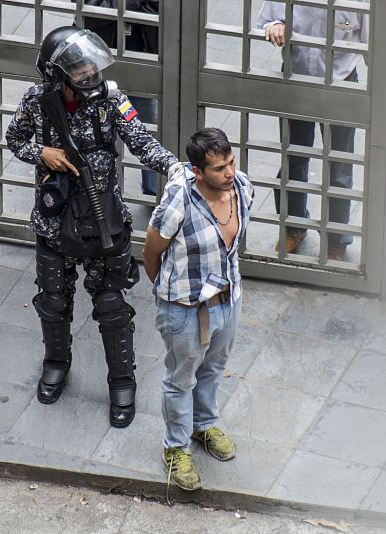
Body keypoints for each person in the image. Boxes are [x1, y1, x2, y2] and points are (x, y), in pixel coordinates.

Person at [5, 26, 179, 428]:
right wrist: (42, 152)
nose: (88, 73)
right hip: (54, 221)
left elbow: (141, 141)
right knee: (53, 300)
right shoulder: (36, 101)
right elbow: (14, 140)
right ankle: (56, 364)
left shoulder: (110, 102)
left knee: (112, 306)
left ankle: (122, 382)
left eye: (89, 66)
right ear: (57, 75)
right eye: (78, 69)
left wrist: (172, 167)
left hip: (104, 221)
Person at [142, 128, 253, 491]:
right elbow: (151, 251)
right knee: (181, 378)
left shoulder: (241, 188)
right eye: (219, 168)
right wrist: (166, 293)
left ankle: (204, 426)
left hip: (228, 300)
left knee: (214, 367)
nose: (229, 173)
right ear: (198, 170)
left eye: (231, 162)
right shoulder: (180, 201)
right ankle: (175, 448)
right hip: (185, 309)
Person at [257, 2, 369, 260]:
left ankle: (336, 237)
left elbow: (371, 40)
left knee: (340, 164)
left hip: (340, 82)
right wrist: (275, 26)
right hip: (297, 78)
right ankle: (293, 226)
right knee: (293, 156)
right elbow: (267, 19)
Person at [80, 0, 161, 195]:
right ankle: (97, 188)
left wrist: (121, 5)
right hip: (99, 63)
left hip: (143, 62)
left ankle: (154, 190)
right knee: (98, 129)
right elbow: (91, 15)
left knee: (148, 129)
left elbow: (163, 10)